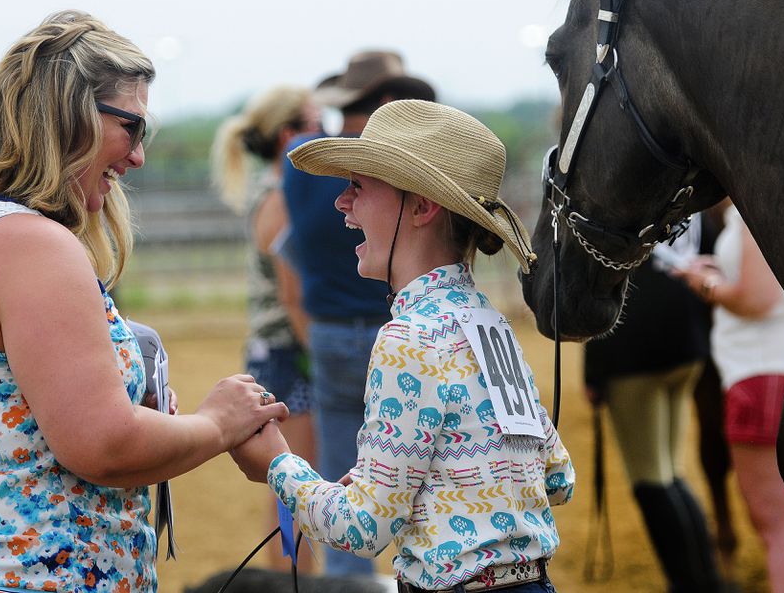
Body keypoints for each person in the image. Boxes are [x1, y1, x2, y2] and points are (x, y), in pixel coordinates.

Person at [0, 11, 287, 593]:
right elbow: (104, 446)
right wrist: (219, 422)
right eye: (133, 128)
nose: (138, 155)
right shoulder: (31, 244)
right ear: (69, 115)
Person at [231, 100, 575, 593]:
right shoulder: (490, 325)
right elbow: (558, 477)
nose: (341, 203)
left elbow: (364, 529)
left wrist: (278, 465)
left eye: (358, 187)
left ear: (421, 206)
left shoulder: (406, 338)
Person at [279, 51, 436, 576]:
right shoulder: (384, 170)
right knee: (420, 475)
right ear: (385, 103)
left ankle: (348, 582)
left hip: (325, 331)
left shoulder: (301, 161)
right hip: (390, 329)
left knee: (340, 478)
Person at [675, 202, 784, 592]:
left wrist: (705, 285)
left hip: (759, 374)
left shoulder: (752, 212)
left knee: (779, 528)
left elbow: (757, 299)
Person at [210, 85, 320, 572]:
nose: (327, 133)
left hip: (275, 351)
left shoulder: (272, 191)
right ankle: (295, 580)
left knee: (292, 487)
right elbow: (293, 295)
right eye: (318, 124)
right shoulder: (279, 195)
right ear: (289, 135)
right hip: (288, 351)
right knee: (298, 485)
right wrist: (320, 355)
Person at [583, 243, 725, 591]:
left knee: (651, 483)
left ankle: (690, 584)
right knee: (671, 474)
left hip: (634, 356)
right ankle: (707, 577)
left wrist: (593, 371)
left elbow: (599, 283)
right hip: (686, 346)